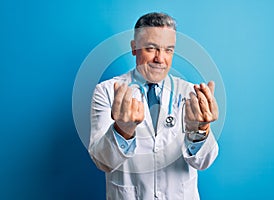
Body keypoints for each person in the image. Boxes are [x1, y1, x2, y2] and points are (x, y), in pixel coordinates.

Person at [89, 12, 219, 200]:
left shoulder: (190, 93)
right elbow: (102, 161)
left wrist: (201, 130)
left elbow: (204, 161)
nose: (161, 58)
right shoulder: (107, 92)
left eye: (168, 50)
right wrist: (122, 131)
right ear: (134, 47)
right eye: (151, 48)